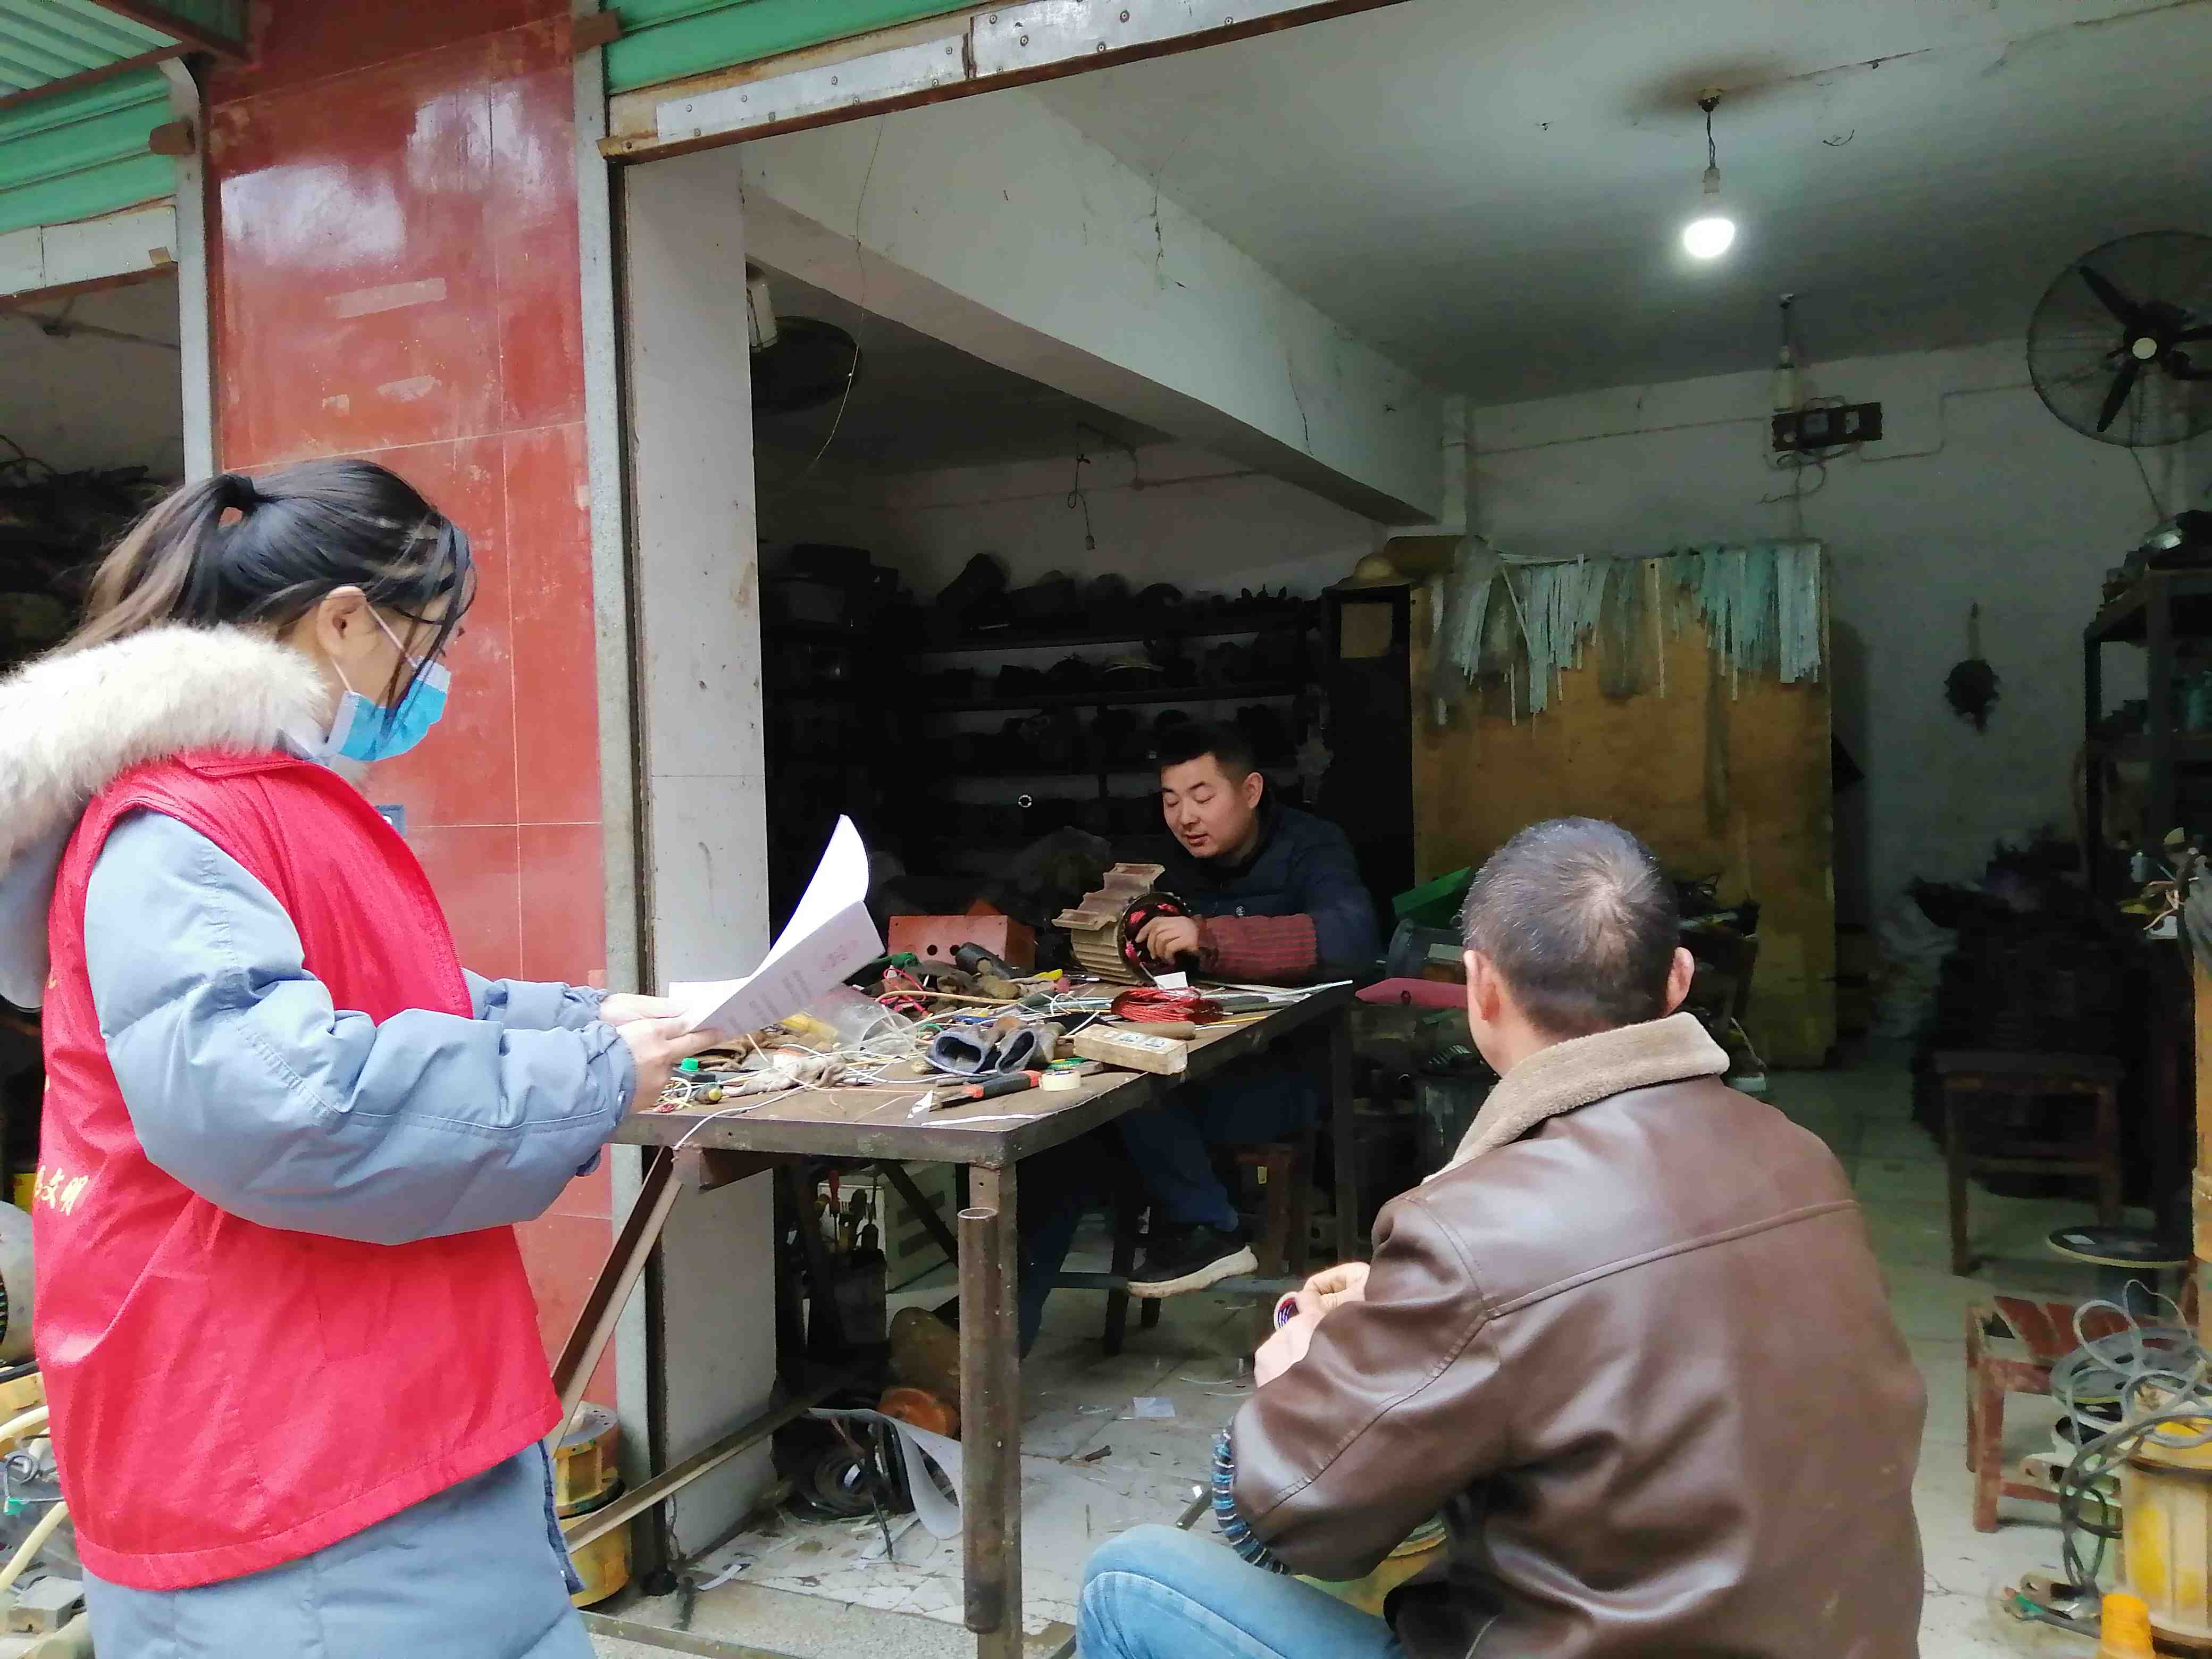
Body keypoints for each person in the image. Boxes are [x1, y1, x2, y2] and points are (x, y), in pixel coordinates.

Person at [0, 463, 719, 1659]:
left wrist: (589, 1019)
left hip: (365, 1436)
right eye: (428, 638)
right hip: (286, 1480)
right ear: (343, 620)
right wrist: (590, 1077)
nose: (429, 675)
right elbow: (282, 1105)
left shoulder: (253, 802)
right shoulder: (179, 825)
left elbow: (394, 996)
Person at [1079, 818, 1925, 1659]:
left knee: (1130, 1578)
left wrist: (1300, 1370)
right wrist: (1422, 1309)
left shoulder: (1474, 1231)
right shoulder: (1801, 1159)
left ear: (1478, 987)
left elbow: (1285, 1522)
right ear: (1678, 979)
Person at [1118, 722, 1380, 1296]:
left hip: (1285, 1077)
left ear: (1252, 790)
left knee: (1128, 1094)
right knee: (1070, 1129)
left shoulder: (1311, 846)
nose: (1185, 818)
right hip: (1194, 1063)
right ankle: (988, 1321)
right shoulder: (1167, 862)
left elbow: (1353, 937)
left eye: (1202, 796)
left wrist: (1210, 936)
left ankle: (1211, 1229)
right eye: (1171, 801)